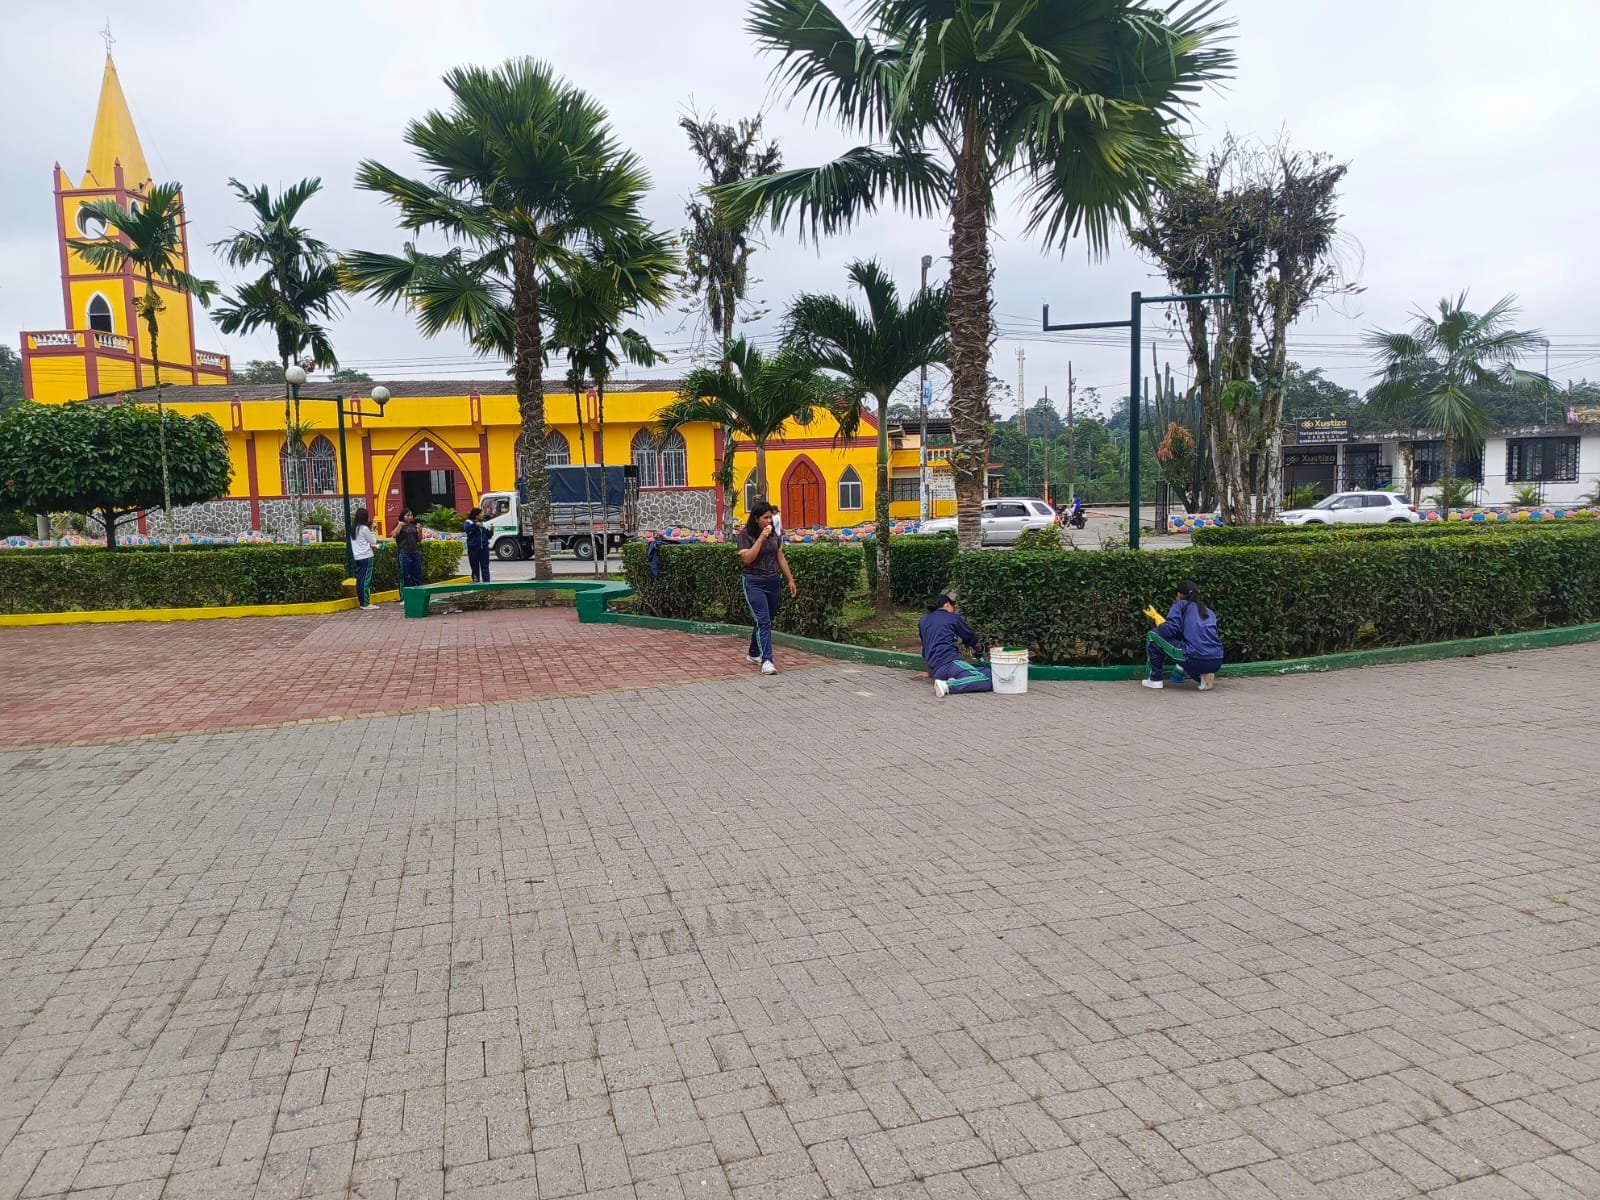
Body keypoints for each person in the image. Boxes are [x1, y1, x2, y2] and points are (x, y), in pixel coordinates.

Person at [736, 500, 797, 675]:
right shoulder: (745, 535)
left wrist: (790, 580)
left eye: (771, 517)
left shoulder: (775, 536)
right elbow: (747, 559)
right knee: (763, 621)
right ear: (756, 518)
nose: (769, 521)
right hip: (754, 582)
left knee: (766, 619)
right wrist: (761, 538)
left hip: (773, 581)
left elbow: (780, 557)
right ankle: (767, 660)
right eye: (765, 517)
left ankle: (753, 653)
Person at [1144, 579, 1223, 690]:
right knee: (1185, 643)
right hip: (1217, 659)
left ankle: (1154, 679)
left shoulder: (1180, 605)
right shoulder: (1208, 611)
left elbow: (1168, 631)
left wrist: (1158, 619)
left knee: (1153, 635)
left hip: (1195, 658)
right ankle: (1202, 677)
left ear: (1179, 594)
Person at [918, 590, 992, 697]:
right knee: (984, 680)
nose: (954, 610)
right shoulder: (953, 618)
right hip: (949, 663)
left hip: (936, 671)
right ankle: (946, 685)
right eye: (954, 607)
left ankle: (954, 680)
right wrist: (980, 650)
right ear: (947, 604)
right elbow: (970, 638)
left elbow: (926, 647)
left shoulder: (923, 620)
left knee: (989, 673)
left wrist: (930, 672)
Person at [350, 507, 379, 611]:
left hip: (358, 557)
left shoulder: (353, 528)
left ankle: (362, 602)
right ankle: (365, 603)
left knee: (360, 580)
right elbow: (373, 541)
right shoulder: (364, 528)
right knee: (366, 580)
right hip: (366, 556)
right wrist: (373, 529)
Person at [394, 507, 423, 590]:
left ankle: (416, 594)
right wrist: (400, 525)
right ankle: (404, 596)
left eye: (411, 515)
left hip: (415, 553)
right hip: (404, 553)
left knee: (416, 575)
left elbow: (419, 540)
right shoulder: (399, 524)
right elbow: (394, 534)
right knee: (404, 576)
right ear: (403, 516)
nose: (410, 517)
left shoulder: (413, 526)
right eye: (407, 515)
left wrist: (419, 530)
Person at [463, 506, 491, 583]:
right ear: (477, 515)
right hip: (473, 549)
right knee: (475, 568)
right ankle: (476, 585)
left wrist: (491, 531)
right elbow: (469, 532)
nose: (483, 515)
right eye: (482, 513)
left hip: (484, 549)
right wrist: (476, 526)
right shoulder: (468, 522)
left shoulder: (484, 524)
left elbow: (488, 536)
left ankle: (487, 585)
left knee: (485, 568)